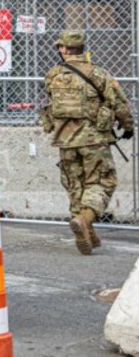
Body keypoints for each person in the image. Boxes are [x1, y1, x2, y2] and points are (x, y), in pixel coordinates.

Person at [41, 30, 134, 255]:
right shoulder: (99, 73)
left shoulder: (53, 74)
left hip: (64, 141)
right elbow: (119, 103)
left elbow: (50, 102)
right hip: (94, 140)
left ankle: (88, 232)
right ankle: (84, 219)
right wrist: (128, 126)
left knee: (76, 185)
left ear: (64, 49)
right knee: (103, 182)